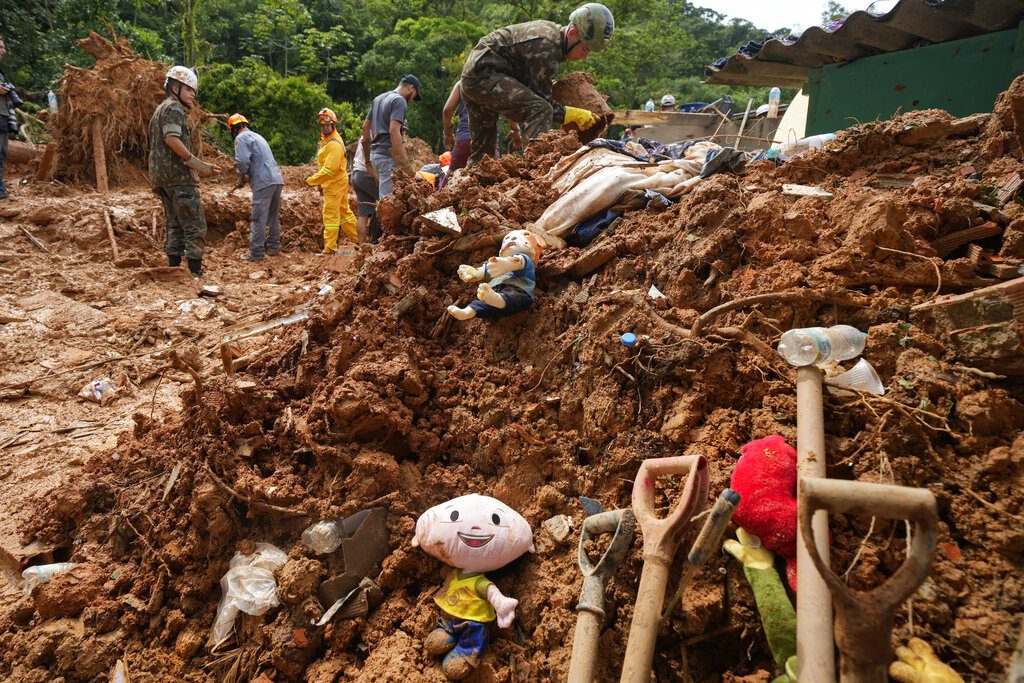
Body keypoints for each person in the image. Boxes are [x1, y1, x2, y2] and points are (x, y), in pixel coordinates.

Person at [459, 3, 614, 167]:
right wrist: (571, 113)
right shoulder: (547, 47)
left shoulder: (551, 37)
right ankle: (537, 169)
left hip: (475, 75)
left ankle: (469, 187)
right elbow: (542, 102)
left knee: (483, 157)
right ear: (573, 33)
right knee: (540, 109)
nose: (585, 56)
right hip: (484, 74)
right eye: (585, 49)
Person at [148, 66, 217, 278]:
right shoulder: (174, 109)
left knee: (175, 224)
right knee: (194, 223)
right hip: (179, 177)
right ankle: (196, 271)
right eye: (189, 90)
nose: (193, 95)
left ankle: (174, 266)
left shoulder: (159, 109)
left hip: (162, 178)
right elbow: (171, 138)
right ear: (175, 87)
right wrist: (195, 164)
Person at [228, 113, 284, 261]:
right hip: (276, 179)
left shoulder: (240, 139)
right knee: (273, 217)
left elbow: (243, 161)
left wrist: (241, 174)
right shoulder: (258, 136)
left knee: (258, 218)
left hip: (263, 182)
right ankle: (273, 247)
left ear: (233, 130)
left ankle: (256, 253)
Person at [361, 75, 421, 199]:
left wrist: (368, 161)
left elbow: (365, 128)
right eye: (415, 95)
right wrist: (406, 167)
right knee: (389, 203)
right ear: (411, 87)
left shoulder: (378, 99)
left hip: (375, 157)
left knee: (388, 202)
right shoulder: (399, 101)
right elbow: (394, 131)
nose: (412, 100)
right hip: (387, 159)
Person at [306, 107, 357, 253]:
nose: (325, 127)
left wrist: (311, 181)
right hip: (335, 183)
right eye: (322, 125)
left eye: (328, 124)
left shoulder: (334, 144)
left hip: (334, 184)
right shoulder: (327, 141)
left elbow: (329, 170)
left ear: (333, 124)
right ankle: (360, 240)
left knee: (330, 216)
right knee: (344, 213)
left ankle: (329, 248)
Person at [349, 134, 379, 243]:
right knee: (385, 204)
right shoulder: (377, 134)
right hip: (366, 175)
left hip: (356, 174)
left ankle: (362, 247)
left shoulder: (366, 133)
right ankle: (375, 241)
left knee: (363, 213)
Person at [0, 37, 16, 200]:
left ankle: (0, 188)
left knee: (2, 152)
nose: (3, 50)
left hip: (3, 115)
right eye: (0, 47)